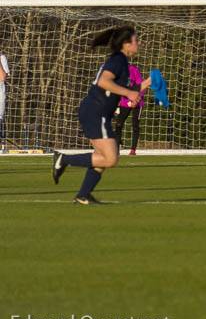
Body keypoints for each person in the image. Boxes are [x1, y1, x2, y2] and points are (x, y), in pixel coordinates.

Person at [51, 27, 141, 205]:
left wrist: (148, 83)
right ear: (126, 44)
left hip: (99, 112)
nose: (139, 43)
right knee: (111, 158)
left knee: (103, 158)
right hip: (96, 111)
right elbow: (104, 82)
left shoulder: (122, 61)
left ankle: (83, 195)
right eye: (136, 40)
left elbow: (124, 90)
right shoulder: (118, 60)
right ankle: (63, 159)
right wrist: (128, 93)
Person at [112, 63, 149, 155]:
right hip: (125, 102)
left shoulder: (134, 70)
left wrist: (136, 99)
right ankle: (116, 148)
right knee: (118, 124)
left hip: (137, 102)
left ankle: (133, 150)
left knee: (135, 125)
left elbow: (142, 86)